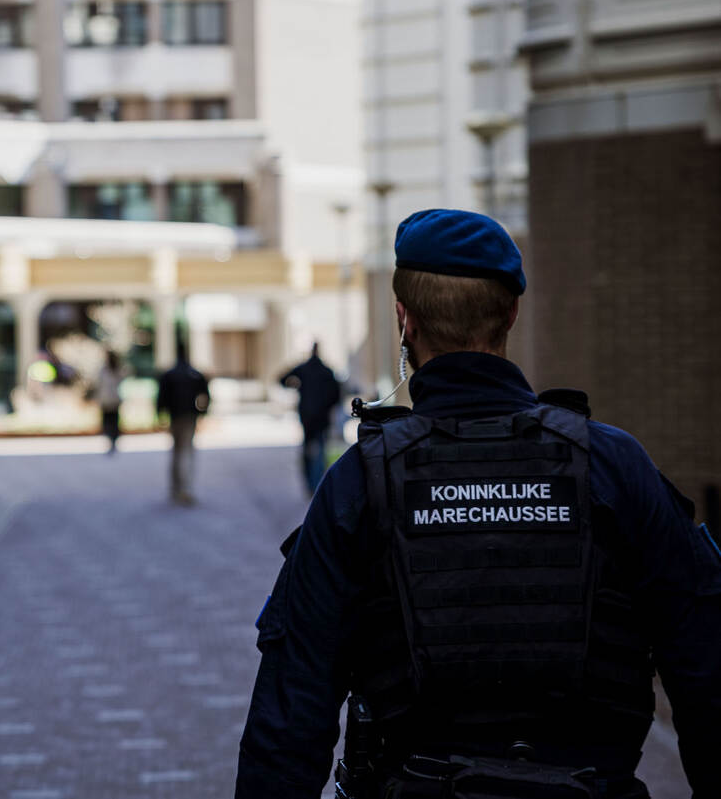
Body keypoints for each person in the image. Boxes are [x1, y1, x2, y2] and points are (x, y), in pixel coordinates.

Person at [236, 210, 721, 799]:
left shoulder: (360, 481)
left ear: (403, 320)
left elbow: (291, 713)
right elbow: (705, 670)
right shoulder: (615, 466)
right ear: (511, 312)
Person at [279, 343, 342, 496]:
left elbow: (282, 379)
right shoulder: (326, 371)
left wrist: (295, 385)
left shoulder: (303, 369)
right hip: (320, 418)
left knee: (308, 450)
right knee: (319, 450)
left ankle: (311, 484)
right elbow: (336, 395)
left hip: (308, 417)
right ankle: (317, 484)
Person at [156, 345, 210, 505]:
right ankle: (184, 489)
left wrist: (160, 415)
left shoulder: (170, 374)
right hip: (189, 417)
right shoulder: (194, 374)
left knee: (177, 453)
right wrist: (202, 412)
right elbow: (206, 396)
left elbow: (160, 398)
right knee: (186, 452)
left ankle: (176, 488)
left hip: (176, 417)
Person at [96, 349, 128, 453]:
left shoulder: (116, 370)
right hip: (106, 400)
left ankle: (113, 440)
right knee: (107, 422)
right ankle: (110, 439)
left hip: (112, 400)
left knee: (113, 421)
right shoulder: (104, 370)